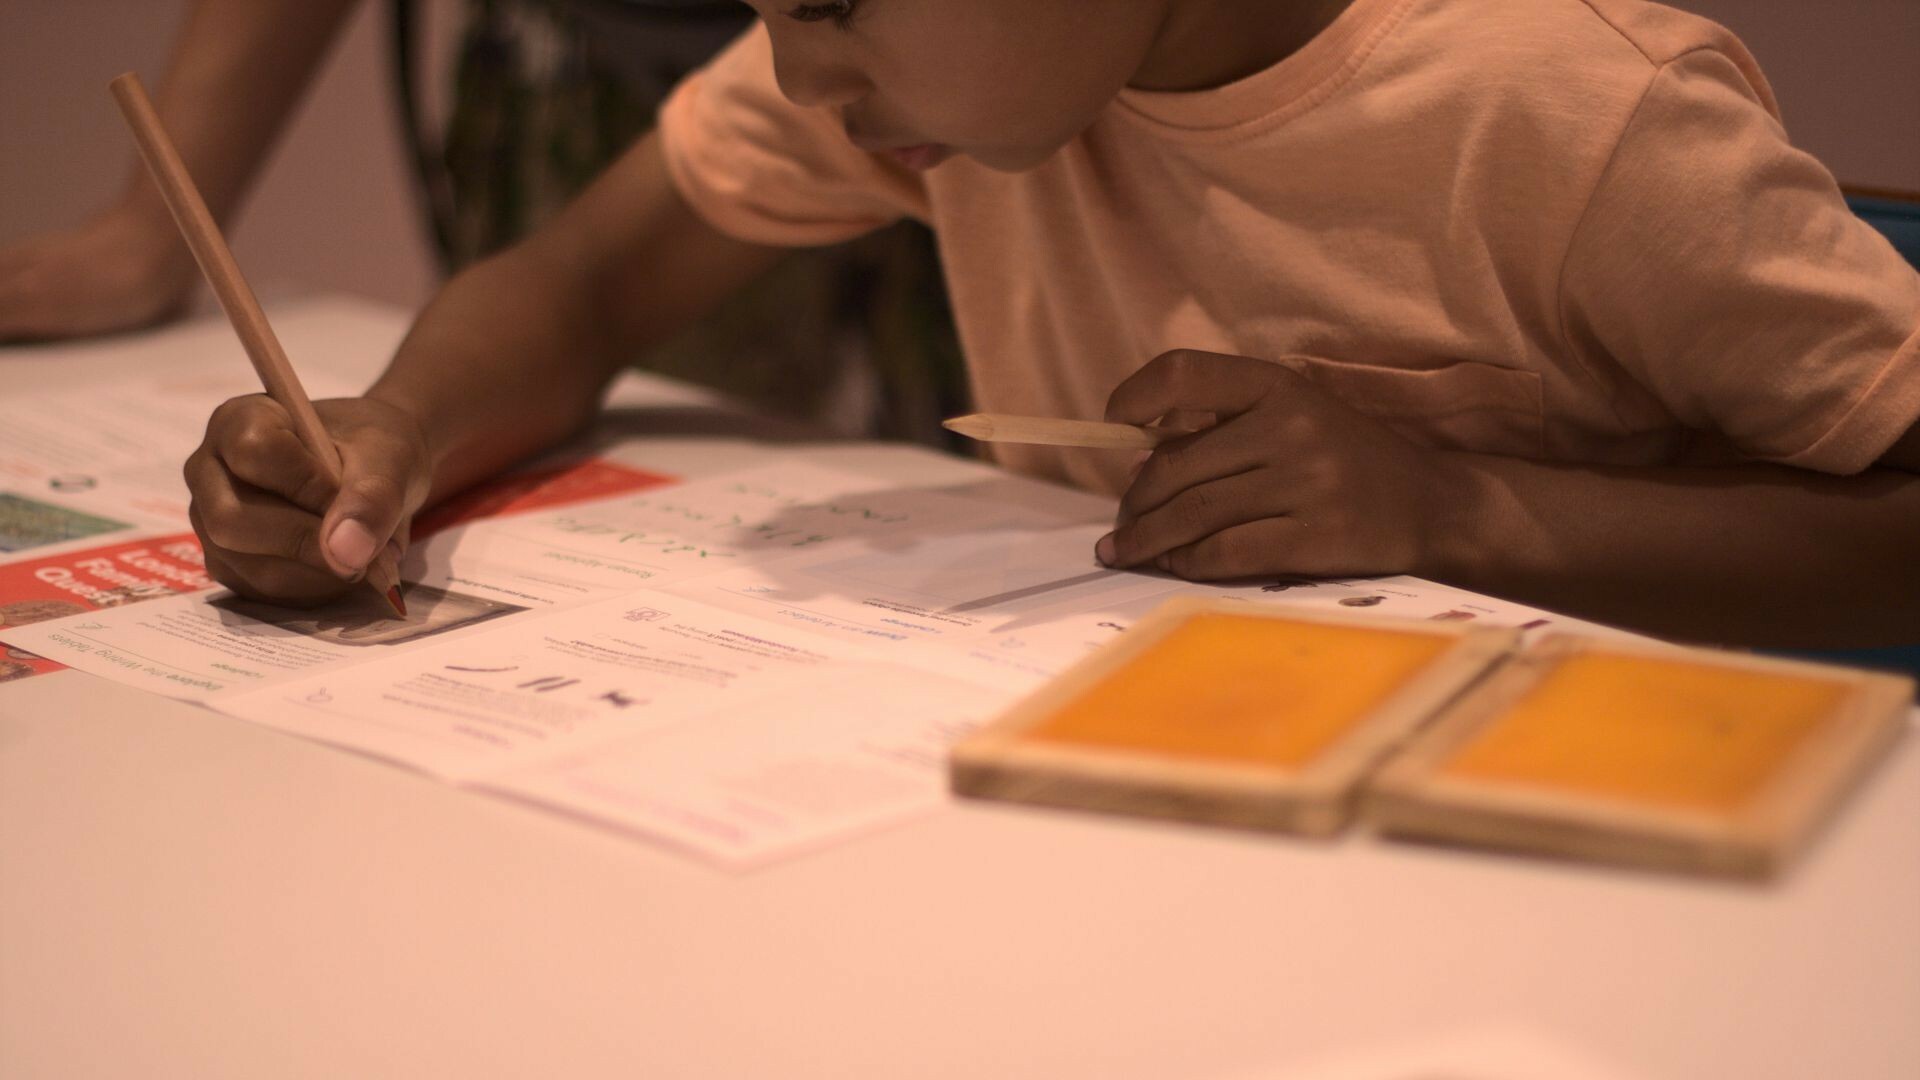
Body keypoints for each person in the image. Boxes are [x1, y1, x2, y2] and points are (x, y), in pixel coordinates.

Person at [181, 0, 1920, 649]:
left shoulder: (1576, 111)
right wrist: (395, 437)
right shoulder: (958, 85)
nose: (794, 65)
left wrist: (1463, 508)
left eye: (841, 0)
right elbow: (587, 280)